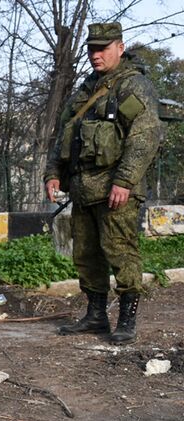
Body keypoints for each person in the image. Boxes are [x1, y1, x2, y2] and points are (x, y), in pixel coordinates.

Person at [44, 22, 162, 345]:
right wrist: (53, 172)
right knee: (86, 255)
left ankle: (126, 320)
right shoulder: (86, 89)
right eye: (91, 49)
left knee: (121, 252)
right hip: (84, 190)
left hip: (115, 191)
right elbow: (64, 134)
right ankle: (96, 315)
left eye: (103, 48)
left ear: (120, 48)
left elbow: (144, 137)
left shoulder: (132, 86)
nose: (95, 55)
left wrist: (124, 180)